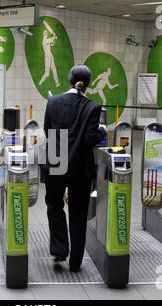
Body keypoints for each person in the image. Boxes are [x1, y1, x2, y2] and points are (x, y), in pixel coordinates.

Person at [42, 65, 106, 272]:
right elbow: (89, 138)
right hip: (80, 165)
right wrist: (102, 131)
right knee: (78, 212)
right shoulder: (93, 107)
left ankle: (60, 249)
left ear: (69, 80)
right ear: (87, 84)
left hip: (56, 159)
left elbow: (47, 130)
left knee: (54, 205)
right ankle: (76, 261)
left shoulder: (53, 101)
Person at [39, 21, 60, 88]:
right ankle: (41, 81)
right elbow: (51, 40)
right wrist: (54, 37)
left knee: (54, 69)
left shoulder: (47, 40)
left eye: (46, 33)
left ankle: (57, 83)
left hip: (50, 56)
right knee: (47, 74)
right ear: (44, 35)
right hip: (47, 57)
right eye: (45, 33)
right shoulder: (44, 41)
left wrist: (54, 39)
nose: (46, 34)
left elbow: (52, 43)